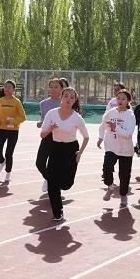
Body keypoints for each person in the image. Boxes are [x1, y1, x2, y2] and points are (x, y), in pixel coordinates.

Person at [41, 87, 89, 221]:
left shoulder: (77, 117)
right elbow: (42, 134)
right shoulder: (52, 113)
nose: (68, 99)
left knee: (66, 184)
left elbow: (86, 137)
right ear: (61, 98)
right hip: (55, 148)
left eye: (72, 97)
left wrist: (79, 153)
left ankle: (62, 186)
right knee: (52, 181)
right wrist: (50, 128)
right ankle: (58, 212)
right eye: (66, 96)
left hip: (71, 149)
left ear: (75, 101)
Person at [98, 89, 136, 207]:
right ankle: (110, 187)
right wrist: (100, 138)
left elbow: (128, 134)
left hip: (125, 149)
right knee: (107, 167)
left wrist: (116, 128)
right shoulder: (110, 112)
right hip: (111, 146)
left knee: (124, 175)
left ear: (128, 101)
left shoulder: (130, 115)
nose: (120, 101)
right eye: (118, 98)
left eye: (123, 99)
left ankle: (123, 195)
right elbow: (102, 125)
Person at [0, 79, 26, 182]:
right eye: (5, 87)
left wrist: (13, 121)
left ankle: (8, 173)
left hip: (13, 131)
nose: (7, 89)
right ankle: (3, 162)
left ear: (13, 90)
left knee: (9, 153)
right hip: (1, 129)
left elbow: (23, 117)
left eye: (9, 87)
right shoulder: (0, 101)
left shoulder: (17, 102)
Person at [37, 78, 65, 192]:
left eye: (56, 87)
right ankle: (49, 179)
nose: (53, 89)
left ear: (61, 89)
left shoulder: (65, 103)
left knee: (55, 163)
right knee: (40, 162)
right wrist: (41, 123)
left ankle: (53, 182)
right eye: (51, 87)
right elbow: (43, 118)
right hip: (47, 135)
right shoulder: (43, 103)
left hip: (61, 137)